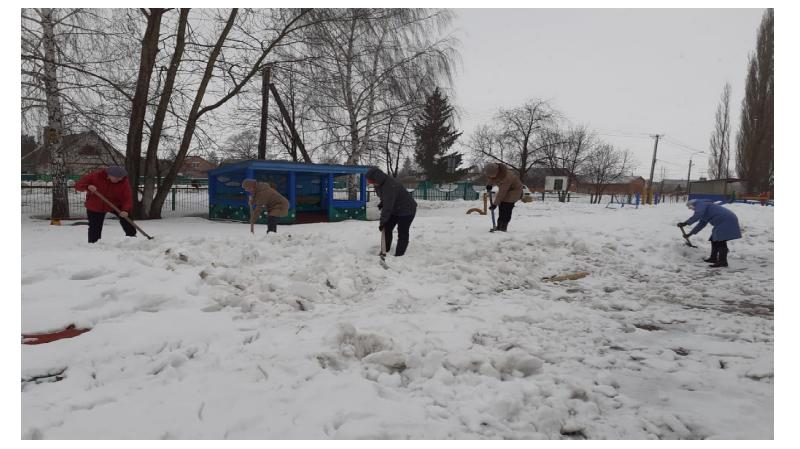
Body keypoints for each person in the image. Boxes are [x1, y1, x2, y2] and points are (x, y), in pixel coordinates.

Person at [74, 165, 136, 243]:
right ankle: (94, 244)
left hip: (115, 204)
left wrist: (125, 210)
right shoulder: (95, 176)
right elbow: (78, 185)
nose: (119, 179)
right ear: (109, 175)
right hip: (95, 205)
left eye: (121, 177)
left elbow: (127, 198)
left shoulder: (123, 182)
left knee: (127, 220)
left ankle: (132, 239)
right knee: (95, 226)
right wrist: (88, 187)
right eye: (117, 178)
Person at [365, 167, 417, 257]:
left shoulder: (390, 185)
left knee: (402, 231)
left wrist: (382, 221)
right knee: (387, 228)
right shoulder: (379, 184)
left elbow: (388, 206)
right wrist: (382, 203)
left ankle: (399, 254)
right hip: (395, 208)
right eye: (370, 182)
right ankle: (385, 250)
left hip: (407, 209)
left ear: (377, 178)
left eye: (372, 181)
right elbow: (385, 198)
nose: (371, 183)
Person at [678, 199, 742, 268]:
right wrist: (690, 234)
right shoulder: (704, 209)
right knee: (713, 240)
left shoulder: (700, 203)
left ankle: (723, 262)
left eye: (690, 208)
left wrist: (685, 223)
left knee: (721, 241)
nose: (691, 209)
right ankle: (713, 258)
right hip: (723, 221)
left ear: (693, 205)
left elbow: (698, 214)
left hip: (725, 220)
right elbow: (701, 224)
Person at [484, 162, 523, 232]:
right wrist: (489, 185)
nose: (491, 177)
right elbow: (491, 178)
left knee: (506, 208)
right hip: (506, 190)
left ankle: (503, 227)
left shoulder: (507, 176)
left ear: (497, 172)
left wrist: (495, 204)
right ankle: (499, 226)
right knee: (501, 207)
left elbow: (502, 192)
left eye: (492, 175)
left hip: (514, 191)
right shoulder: (496, 172)